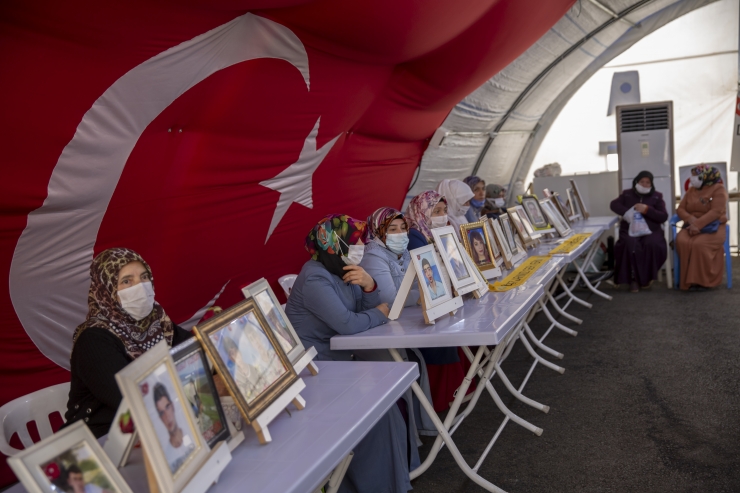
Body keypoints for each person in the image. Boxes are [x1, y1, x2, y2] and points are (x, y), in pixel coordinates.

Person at [285, 214, 411, 493]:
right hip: (315, 368)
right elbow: (348, 323)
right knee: (376, 411)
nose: (361, 248)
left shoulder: (340, 267)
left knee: (388, 404)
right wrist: (379, 313)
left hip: (340, 358)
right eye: (353, 242)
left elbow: (361, 310)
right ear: (332, 242)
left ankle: (392, 481)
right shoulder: (315, 276)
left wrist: (369, 285)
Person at [64, 248, 192, 437]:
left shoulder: (157, 321)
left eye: (144, 277)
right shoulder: (92, 340)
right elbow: (131, 398)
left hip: (154, 427)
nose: (140, 287)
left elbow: (195, 353)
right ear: (106, 290)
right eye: (126, 281)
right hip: (102, 439)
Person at [609, 171, 668, 292]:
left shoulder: (657, 196)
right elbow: (613, 204)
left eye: (648, 182)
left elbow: (663, 216)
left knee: (652, 244)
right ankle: (633, 279)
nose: (645, 184)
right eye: (642, 182)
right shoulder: (627, 194)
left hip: (651, 230)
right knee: (631, 244)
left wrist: (648, 210)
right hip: (630, 229)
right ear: (636, 182)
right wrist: (627, 213)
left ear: (651, 184)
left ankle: (647, 278)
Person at [675, 164, 728, 290]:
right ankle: (686, 281)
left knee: (699, 244)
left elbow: (716, 212)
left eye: (695, 176)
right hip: (690, 225)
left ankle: (703, 281)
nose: (692, 178)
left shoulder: (718, 190)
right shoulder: (691, 191)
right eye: (692, 175)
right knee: (681, 241)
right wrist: (690, 219)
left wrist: (697, 224)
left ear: (706, 176)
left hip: (713, 226)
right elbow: (680, 209)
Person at [360, 207, 418, 307]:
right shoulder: (372, 256)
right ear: (378, 230)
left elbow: (419, 283)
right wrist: (422, 295)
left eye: (403, 228)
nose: (400, 233)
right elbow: (389, 300)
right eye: (393, 229)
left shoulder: (404, 252)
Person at [153, 382, 195, 473]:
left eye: (167, 407)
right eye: (161, 413)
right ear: (160, 418)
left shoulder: (193, 434)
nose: (167, 416)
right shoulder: (167, 457)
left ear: (172, 406)